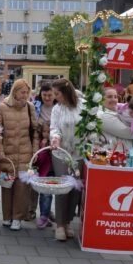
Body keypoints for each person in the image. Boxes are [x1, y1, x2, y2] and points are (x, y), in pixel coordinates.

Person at [0, 79, 39, 231]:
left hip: (26, 152)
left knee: (22, 187)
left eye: (27, 92)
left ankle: (17, 218)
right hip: (7, 153)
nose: (25, 95)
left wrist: (35, 151)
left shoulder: (30, 107)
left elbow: (35, 131)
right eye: (23, 92)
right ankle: (7, 216)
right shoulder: (2, 107)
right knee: (7, 185)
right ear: (15, 92)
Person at [49, 78, 84, 242]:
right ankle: (60, 224)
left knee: (75, 188)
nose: (55, 97)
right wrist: (55, 138)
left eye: (57, 94)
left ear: (66, 91)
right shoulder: (57, 109)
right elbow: (54, 127)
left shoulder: (82, 105)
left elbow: (91, 125)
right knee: (63, 187)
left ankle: (69, 221)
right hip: (61, 153)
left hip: (79, 153)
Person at [33, 82, 56, 229]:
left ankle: (49, 212)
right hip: (42, 149)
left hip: (57, 148)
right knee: (45, 181)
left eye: (50, 95)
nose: (47, 97)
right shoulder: (36, 107)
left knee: (56, 182)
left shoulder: (59, 108)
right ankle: (43, 214)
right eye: (44, 95)